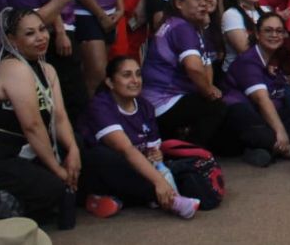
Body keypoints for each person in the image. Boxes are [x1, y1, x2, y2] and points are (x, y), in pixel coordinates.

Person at [0, 8, 80, 224]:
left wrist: (73, 151)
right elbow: (32, 125)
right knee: (53, 186)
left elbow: (59, 117)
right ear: (12, 40)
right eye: (30, 33)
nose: (41, 37)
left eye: (42, 29)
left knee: (77, 154)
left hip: (20, 155)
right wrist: (58, 171)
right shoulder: (13, 67)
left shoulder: (47, 69)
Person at [75, 56, 200, 219]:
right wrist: (159, 182)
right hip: (99, 169)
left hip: (134, 165)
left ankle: (108, 200)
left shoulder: (145, 106)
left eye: (138, 74)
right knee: (106, 157)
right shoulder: (100, 105)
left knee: (163, 169)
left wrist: (156, 156)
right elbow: (125, 149)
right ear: (110, 82)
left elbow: (152, 149)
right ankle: (170, 199)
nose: (135, 80)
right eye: (127, 75)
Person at [140, 0, 227, 147]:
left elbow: (204, 62)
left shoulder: (183, 25)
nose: (204, 3)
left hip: (164, 101)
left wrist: (208, 89)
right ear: (179, 3)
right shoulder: (182, 28)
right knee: (216, 108)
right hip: (163, 102)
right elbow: (194, 68)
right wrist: (209, 92)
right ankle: (188, 154)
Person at [221, 13, 290, 166]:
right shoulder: (248, 60)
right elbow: (261, 99)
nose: (274, 35)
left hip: (269, 115)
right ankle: (289, 149)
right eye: (268, 31)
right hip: (244, 119)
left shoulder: (282, 56)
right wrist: (280, 132)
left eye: (279, 31)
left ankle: (264, 149)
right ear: (257, 34)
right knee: (245, 117)